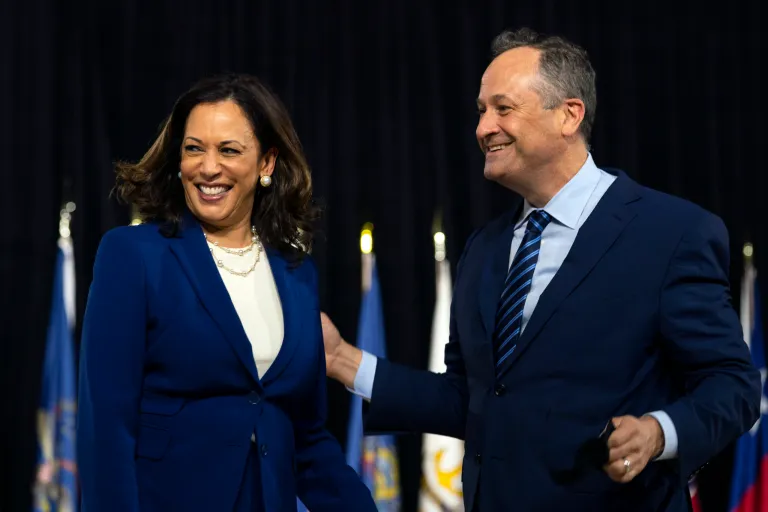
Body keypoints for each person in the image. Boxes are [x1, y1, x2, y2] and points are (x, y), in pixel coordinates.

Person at [321, 28, 762, 511]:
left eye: (502, 109)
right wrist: (344, 360)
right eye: (481, 111)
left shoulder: (671, 233)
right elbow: (472, 400)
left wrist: (660, 432)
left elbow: (732, 384)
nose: (483, 127)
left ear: (569, 115)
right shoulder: (483, 250)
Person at [76, 74, 376, 512]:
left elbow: (306, 436)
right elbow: (106, 426)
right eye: (194, 148)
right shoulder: (133, 255)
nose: (208, 167)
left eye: (229, 150)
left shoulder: (297, 272)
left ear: (267, 163)